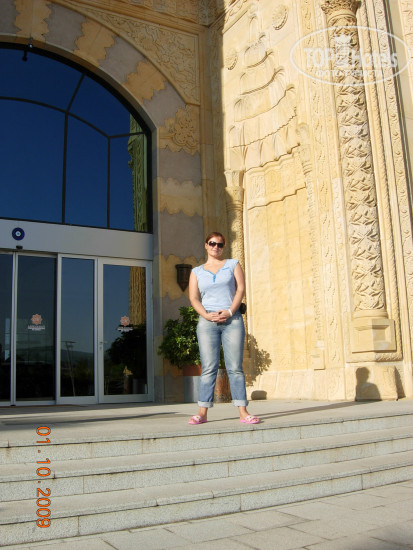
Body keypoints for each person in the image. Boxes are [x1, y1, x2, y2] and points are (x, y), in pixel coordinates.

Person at [188, 232, 260, 425]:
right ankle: (202, 412)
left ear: (223, 247)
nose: (216, 247)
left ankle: (243, 412)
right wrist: (205, 315)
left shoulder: (232, 264)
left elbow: (240, 289)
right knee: (208, 367)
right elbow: (193, 298)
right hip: (207, 322)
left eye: (220, 244)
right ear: (206, 245)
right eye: (212, 243)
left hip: (232, 320)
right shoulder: (196, 272)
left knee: (235, 367)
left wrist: (229, 311)